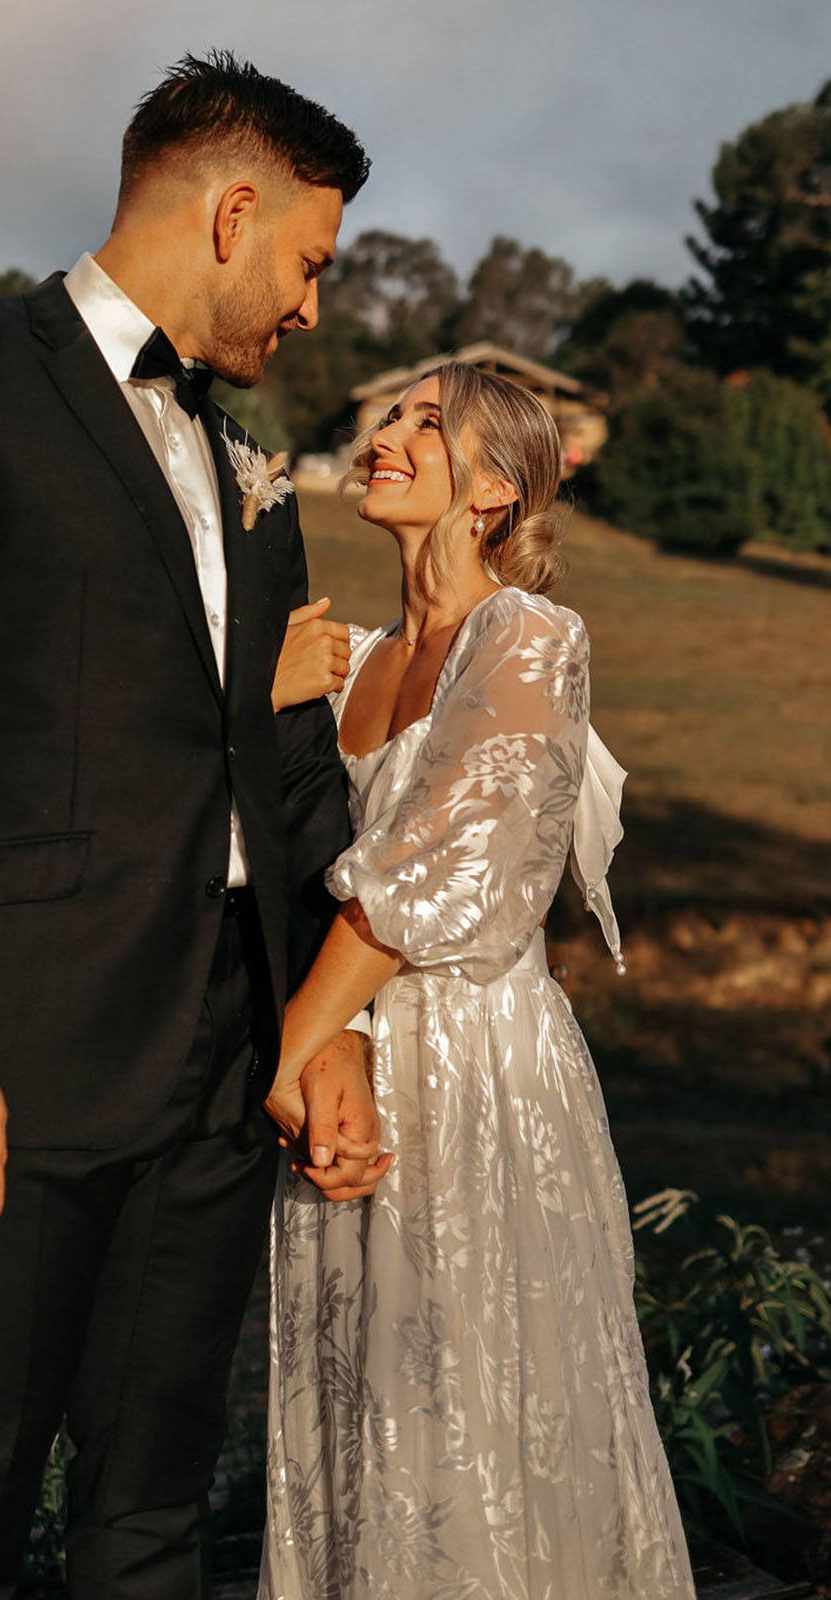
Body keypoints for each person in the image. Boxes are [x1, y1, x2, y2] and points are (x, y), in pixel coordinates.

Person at [0, 51, 389, 1600]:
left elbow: (281, 752)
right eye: (308, 264)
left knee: (154, 1506)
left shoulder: (248, 458)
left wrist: (322, 1025)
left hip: (223, 1050)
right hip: (12, 1053)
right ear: (231, 211)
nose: (311, 308)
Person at [260, 364, 696, 1598]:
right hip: (351, 1067)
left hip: (473, 1070)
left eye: (423, 424)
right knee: (361, 1416)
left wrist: (284, 1053)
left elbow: (449, 868)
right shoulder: (350, 663)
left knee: (474, 1404)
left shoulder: (530, 637)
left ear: (494, 490)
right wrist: (255, 701)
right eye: (385, 415)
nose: (382, 434)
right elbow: (278, 842)